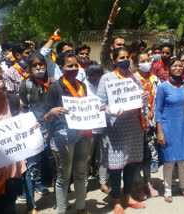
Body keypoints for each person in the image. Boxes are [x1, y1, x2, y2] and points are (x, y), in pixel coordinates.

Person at [96, 48, 150, 214]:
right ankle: (117, 200)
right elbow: (100, 103)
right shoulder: (107, 78)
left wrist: (145, 97)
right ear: (114, 61)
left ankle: (128, 196)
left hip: (133, 126)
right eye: (121, 57)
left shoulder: (134, 77)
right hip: (115, 128)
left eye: (127, 57)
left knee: (131, 164)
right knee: (115, 166)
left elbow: (141, 97)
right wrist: (109, 110)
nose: (125, 60)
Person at [44, 52, 92, 214]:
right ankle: (61, 211)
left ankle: (81, 208)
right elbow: (45, 117)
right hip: (62, 137)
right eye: (69, 66)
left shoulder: (82, 85)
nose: (74, 68)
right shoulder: (54, 87)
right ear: (61, 67)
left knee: (80, 173)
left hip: (82, 135)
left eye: (75, 65)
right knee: (63, 177)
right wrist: (52, 111)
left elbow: (86, 108)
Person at [156, 57, 184, 203]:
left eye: (180, 66)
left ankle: (183, 187)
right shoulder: (163, 87)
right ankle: (167, 190)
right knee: (169, 161)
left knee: (183, 160)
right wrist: (160, 131)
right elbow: (158, 111)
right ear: (169, 68)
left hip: (183, 127)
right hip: (168, 127)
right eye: (175, 66)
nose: (178, 68)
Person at [19, 53, 50, 208]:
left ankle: (60, 200)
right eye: (34, 66)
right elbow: (23, 109)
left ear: (46, 64)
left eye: (41, 64)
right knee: (32, 167)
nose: (39, 68)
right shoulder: (26, 85)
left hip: (53, 129)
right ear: (30, 68)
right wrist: (31, 124)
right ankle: (31, 205)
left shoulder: (54, 83)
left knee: (52, 162)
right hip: (35, 131)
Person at [0, 63, 28, 214]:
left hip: (11, 171)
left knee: (9, 208)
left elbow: (22, 129)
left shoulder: (14, 102)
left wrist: (31, 130)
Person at [132, 51, 160, 201]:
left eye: (148, 59)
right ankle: (137, 185)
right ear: (137, 64)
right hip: (136, 123)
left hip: (151, 123)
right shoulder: (132, 79)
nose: (147, 62)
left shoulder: (155, 79)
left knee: (148, 155)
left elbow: (158, 100)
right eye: (142, 60)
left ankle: (148, 182)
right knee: (137, 156)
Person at [83, 64, 111, 194]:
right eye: (91, 78)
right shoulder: (82, 86)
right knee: (86, 157)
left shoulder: (105, 84)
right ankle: (83, 184)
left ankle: (103, 182)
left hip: (104, 126)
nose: (94, 81)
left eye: (97, 78)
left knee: (103, 156)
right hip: (89, 129)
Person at [99, 0, 124, 73]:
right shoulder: (106, 60)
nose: (122, 46)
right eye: (119, 44)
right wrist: (111, 20)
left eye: (123, 45)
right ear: (111, 47)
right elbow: (106, 40)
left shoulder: (129, 64)